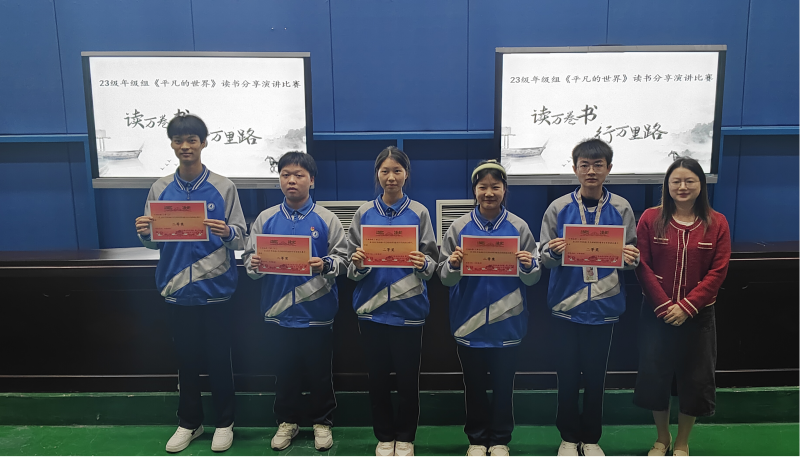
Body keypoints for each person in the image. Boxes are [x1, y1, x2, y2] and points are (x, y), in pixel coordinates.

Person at [135, 113, 246, 453]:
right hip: (176, 290)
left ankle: (224, 423)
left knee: (219, 361)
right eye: (179, 140)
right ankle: (190, 423)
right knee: (186, 362)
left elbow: (241, 237)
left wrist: (227, 232)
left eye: (192, 140)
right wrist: (145, 233)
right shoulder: (159, 188)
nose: (185, 146)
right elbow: (153, 243)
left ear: (203, 143)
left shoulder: (224, 186)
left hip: (217, 290)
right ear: (171, 144)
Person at [538, 139, 639, 457]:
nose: (591, 171)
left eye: (598, 165)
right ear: (575, 168)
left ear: (609, 169)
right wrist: (553, 252)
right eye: (584, 165)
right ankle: (568, 438)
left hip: (604, 306)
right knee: (566, 376)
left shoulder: (621, 208)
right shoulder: (558, 208)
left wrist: (630, 258)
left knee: (596, 378)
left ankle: (592, 438)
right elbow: (543, 258)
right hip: (566, 307)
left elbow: (631, 255)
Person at [242, 152, 348, 452]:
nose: (291, 180)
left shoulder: (326, 218)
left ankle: (322, 422)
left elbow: (343, 260)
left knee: (319, 373)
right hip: (277, 312)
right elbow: (249, 263)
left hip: (317, 311)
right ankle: (287, 421)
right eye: (285, 174)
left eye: (299, 175)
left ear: (311, 181)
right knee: (284, 371)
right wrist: (255, 264)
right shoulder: (265, 218)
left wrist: (325, 264)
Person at [438, 160, 541, 457]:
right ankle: (476, 440)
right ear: (474, 191)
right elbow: (445, 278)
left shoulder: (519, 226)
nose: (489, 193)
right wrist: (453, 264)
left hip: (508, 323)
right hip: (468, 322)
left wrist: (527, 266)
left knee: (503, 386)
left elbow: (533, 278)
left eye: (495, 187)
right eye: (483, 187)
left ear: (504, 190)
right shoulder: (459, 227)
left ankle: (499, 440)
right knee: (473, 386)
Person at [633, 157, 731, 457]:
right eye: (676, 181)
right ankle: (662, 438)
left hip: (699, 317)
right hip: (657, 314)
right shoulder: (650, 218)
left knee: (696, 380)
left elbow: (718, 270)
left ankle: (682, 442)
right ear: (667, 185)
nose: (682, 187)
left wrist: (688, 306)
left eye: (690, 181)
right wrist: (664, 305)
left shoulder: (717, 222)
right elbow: (642, 264)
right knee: (655, 377)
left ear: (701, 185)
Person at [347, 146, 439, 457]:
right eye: (385, 171)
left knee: (408, 380)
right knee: (377, 380)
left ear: (406, 174)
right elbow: (351, 266)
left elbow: (432, 263)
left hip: (409, 311)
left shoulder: (420, 212)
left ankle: (406, 437)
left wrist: (423, 264)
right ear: (377, 174)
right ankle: (384, 436)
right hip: (371, 312)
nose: (391, 177)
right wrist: (359, 265)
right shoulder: (364, 213)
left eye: (397, 171)